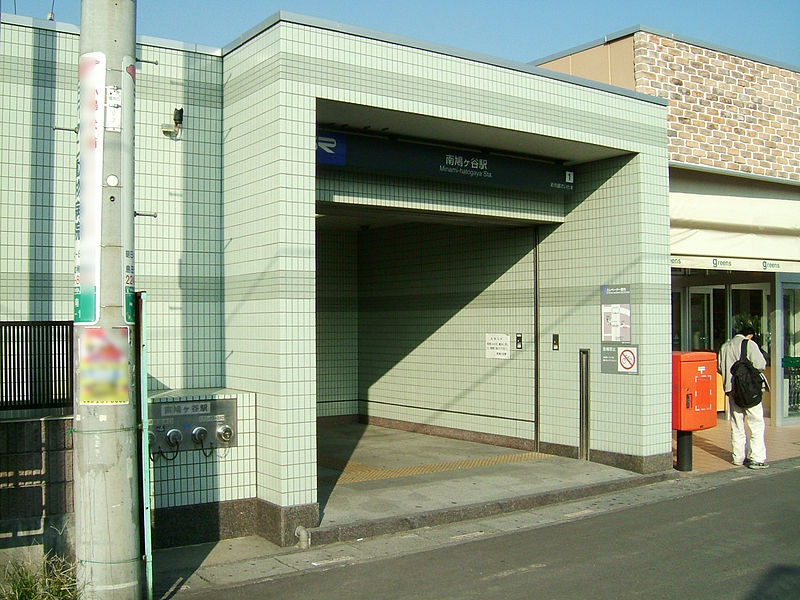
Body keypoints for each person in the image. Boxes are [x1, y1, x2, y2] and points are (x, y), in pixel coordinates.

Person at [717, 326, 768, 469]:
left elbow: (719, 367)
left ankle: (738, 457)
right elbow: (760, 365)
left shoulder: (725, 346)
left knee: (737, 424)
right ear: (750, 335)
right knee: (756, 424)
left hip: (732, 390)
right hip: (749, 391)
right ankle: (756, 458)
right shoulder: (749, 344)